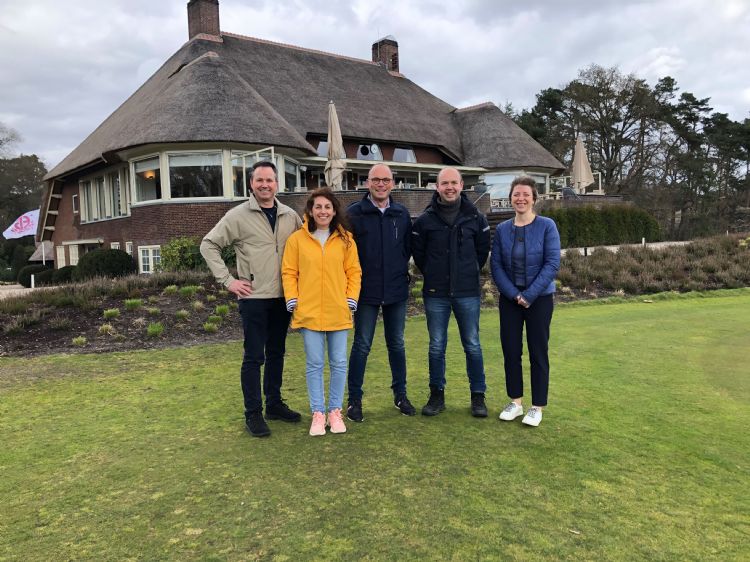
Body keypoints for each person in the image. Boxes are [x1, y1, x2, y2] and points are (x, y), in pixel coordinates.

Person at [200, 160, 303, 438]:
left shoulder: (290, 216)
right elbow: (208, 245)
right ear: (251, 184)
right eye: (259, 180)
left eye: (269, 180)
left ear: (277, 184)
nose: (265, 185)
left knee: (277, 353)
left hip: (283, 297)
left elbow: (305, 249)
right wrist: (228, 280)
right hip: (254, 297)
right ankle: (253, 413)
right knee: (254, 357)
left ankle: (274, 404)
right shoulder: (237, 216)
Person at [282, 188, 362, 436]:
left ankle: (335, 412)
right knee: (315, 364)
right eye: (318, 207)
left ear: (334, 210)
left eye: (328, 207)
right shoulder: (297, 240)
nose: (323, 211)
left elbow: (354, 272)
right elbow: (289, 272)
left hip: (338, 312)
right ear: (310, 210)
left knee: (339, 363)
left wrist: (351, 298)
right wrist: (293, 298)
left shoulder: (346, 239)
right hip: (309, 313)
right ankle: (318, 413)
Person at [411, 167, 491, 417]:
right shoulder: (425, 220)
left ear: (461, 185)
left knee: (473, 345)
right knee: (436, 346)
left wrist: (465, 273)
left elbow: (481, 252)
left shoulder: (476, 217)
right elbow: (420, 256)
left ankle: (478, 397)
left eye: (454, 183)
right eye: (444, 183)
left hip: (467, 291)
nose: (449, 187)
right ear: (437, 187)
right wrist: (435, 274)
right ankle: (437, 396)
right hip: (436, 293)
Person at [345, 163, 415, 422]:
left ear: (393, 184)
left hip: (396, 290)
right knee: (362, 345)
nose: (381, 184)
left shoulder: (401, 213)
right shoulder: (354, 214)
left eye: (386, 180)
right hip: (366, 292)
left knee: (396, 344)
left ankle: (400, 395)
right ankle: (354, 401)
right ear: (367, 183)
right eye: (376, 179)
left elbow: (407, 248)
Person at [490, 175, 560, 427]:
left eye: (525, 195)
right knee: (511, 351)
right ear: (511, 198)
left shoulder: (547, 226)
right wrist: (514, 295)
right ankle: (516, 403)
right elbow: (495, 266)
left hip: (539, 299)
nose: (520, 198)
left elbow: (552, 263)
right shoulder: (502, 229)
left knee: (538, 352)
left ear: (534, 199)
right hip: (510, 300)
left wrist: (529, 295)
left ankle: (536, 407)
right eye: (516, 194)